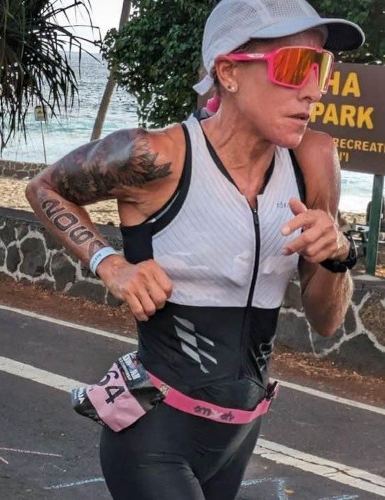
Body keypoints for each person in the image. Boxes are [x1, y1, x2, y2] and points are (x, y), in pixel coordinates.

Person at [25, 0, 364, 498]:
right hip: (153, 438)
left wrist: (337, 255)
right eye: (295, 66)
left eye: (323, 67)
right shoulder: (156, 156)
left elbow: (327, 321)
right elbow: (45, 188)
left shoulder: (313, 158)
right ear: (228, 72)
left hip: (239, 436)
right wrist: (109, 263)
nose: (314, 89)